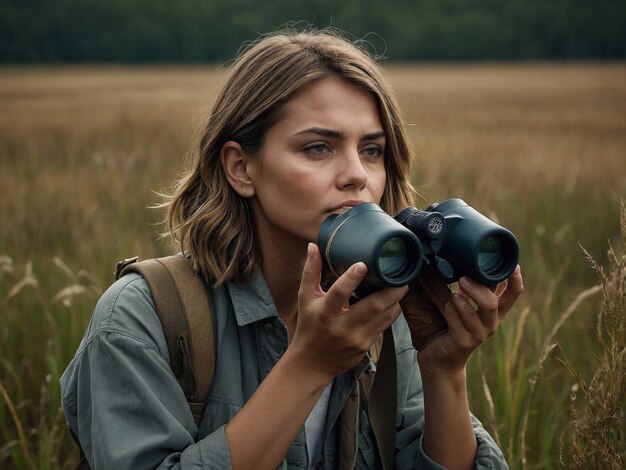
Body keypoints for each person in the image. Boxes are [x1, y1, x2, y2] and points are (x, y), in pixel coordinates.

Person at [61, 27, 523, 469]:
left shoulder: (382, 314)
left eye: (372, 150)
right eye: (318, 148)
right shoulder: (142, 318)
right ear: (241, 168)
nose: (356, 175)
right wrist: (309, 366)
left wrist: (444, 370)